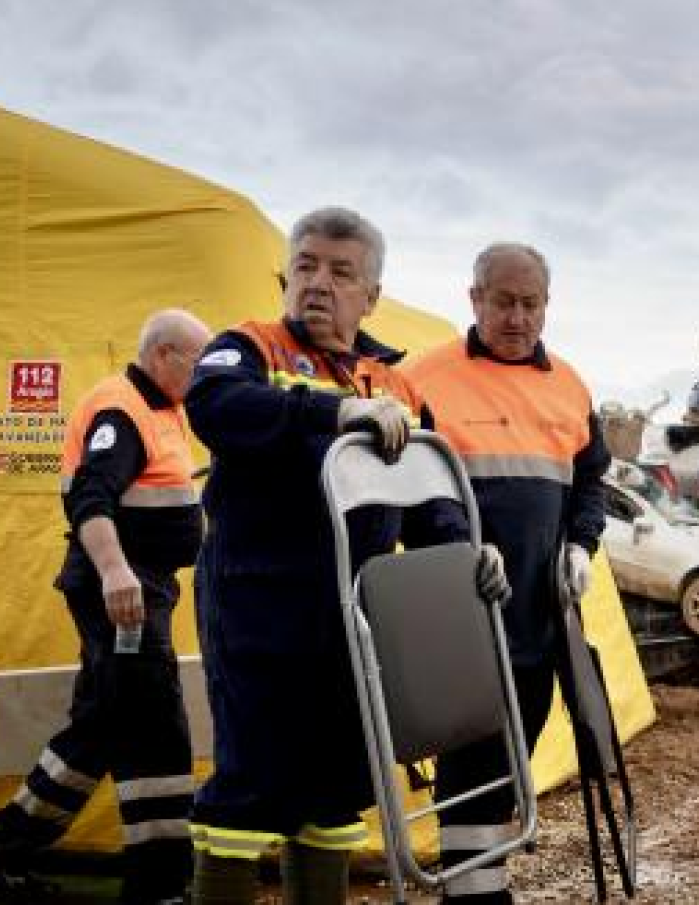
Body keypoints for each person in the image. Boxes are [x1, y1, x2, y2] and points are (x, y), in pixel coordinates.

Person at [184, 208, 505, 905]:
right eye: (306, 266)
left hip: (355, 622)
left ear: (371, 295)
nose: (319, 283)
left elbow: (432, 508)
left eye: (341, 271)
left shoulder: (396, 383)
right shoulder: (246, 350)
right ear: (284, 277)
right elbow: (212, 406)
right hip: (257, 612)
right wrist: (331, 413)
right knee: (247, 789)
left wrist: (468, 562)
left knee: (333, 796)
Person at [0, 308, 212, 905]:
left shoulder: (164, 410)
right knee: (157, 730)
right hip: (121, 592)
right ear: (163, 355)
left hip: (139, 588)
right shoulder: (120, 409)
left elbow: (155, 490)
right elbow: (91, 498)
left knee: (100, 725)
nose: (205, 375)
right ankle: (159, 883)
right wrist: (117, 571)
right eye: (197, 361)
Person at [405, 242, 610, 904]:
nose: (518, 317)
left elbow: (591, 481)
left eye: (531, 304)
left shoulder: (571, 385)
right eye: (504, 302)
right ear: (475, 299)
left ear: (547, 305)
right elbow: (409, 493)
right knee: (472, 765)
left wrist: (581, 545)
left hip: (538, 624)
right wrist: (460, 548)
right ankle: (476, 896)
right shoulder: (425, 378)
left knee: (507, 763)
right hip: (461, 617)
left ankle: (482, 885)